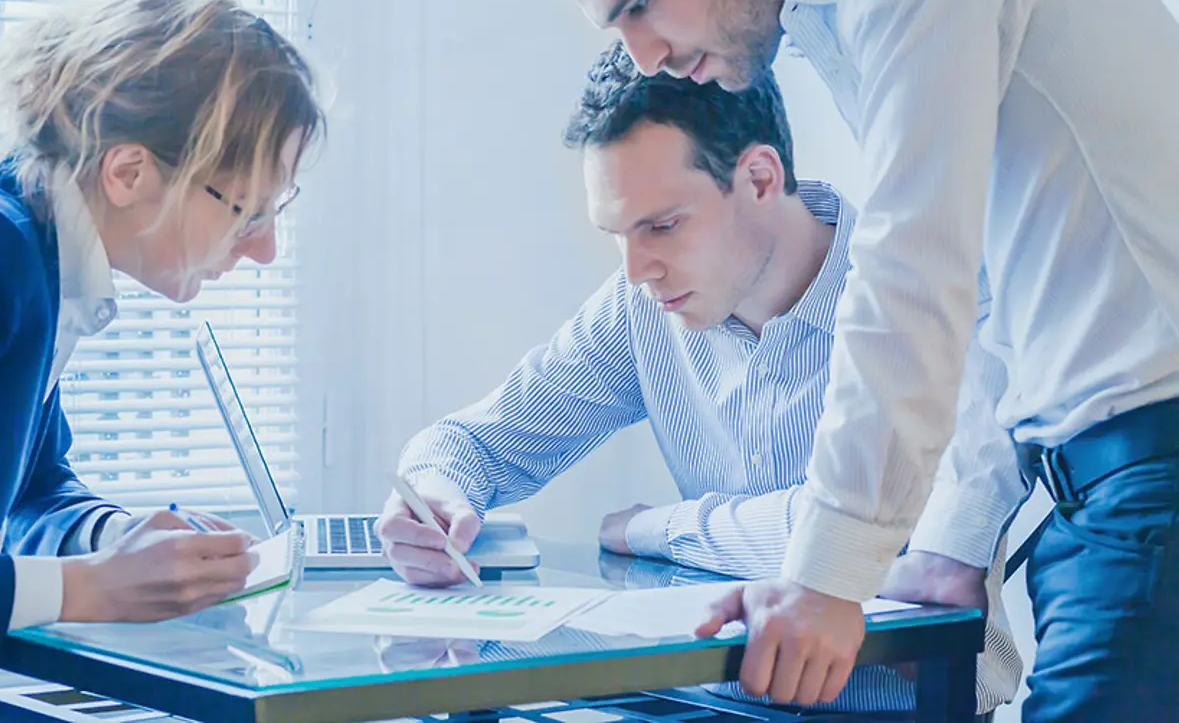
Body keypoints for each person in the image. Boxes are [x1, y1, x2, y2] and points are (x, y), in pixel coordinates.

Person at [530, 0, 1179, 722]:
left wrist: (828, 578)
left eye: (638, 4)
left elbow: (911, 272)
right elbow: (993, 299)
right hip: (1131, 484)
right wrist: (950, 549)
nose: (641, 54)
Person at [376, 44, 1021, 719]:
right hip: (701, 702)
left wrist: (657, 527)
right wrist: (436, 497)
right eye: (617, 232)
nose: (636, 269)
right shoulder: (643, 307)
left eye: (662, 226)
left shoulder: (917, 296)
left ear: (762, 178)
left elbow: (874, 532)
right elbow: (472, 442)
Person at [0, 0, 325, 721]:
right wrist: (87, 588)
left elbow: (25, 488)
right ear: (129, 173)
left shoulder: (29, 232)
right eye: (246, 209)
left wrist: (117, 538)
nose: (264, 249)